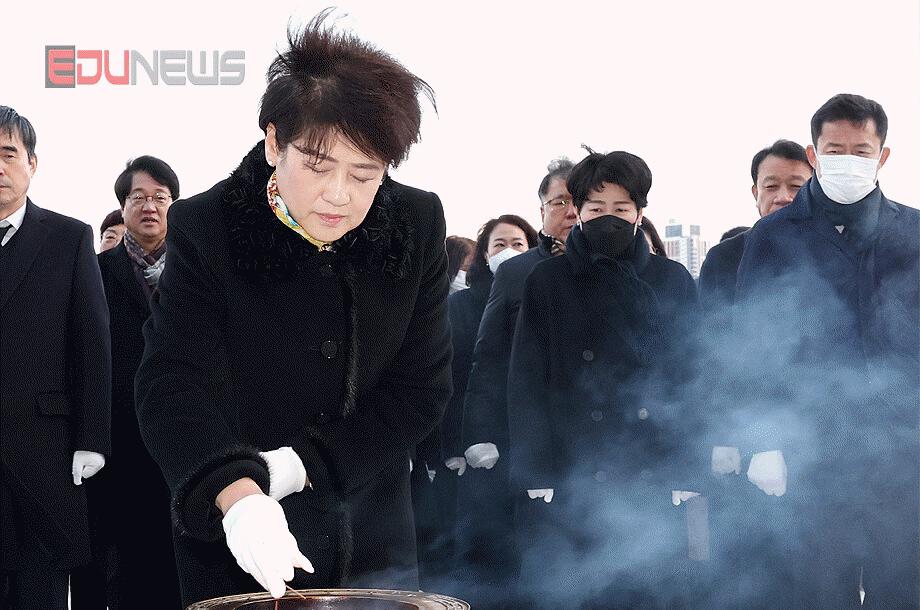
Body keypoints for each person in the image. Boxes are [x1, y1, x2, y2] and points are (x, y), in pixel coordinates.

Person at [133, 12, 451, 607]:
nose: (339, 194)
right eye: (318, 165)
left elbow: (421, 387)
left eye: (365, 174)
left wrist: (301, 465)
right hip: (242, 539)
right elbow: (171, 384)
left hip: (373, 534)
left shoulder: (416, 223)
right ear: (274, 142)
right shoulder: (208, 226)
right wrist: (238, 493)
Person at [735, 93, 918, 609]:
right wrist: (764, 439)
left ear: (883, 156)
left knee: (902, 589)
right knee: (819, 591)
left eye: (862, 150)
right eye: (835, 150)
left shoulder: (914, 232)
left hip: (902, 450)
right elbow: (751, 344)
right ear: (814, 154)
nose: (848, 160)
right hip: (811, 449)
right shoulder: (773, 235)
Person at [508, 149, 700, 609]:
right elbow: (527, 380)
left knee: (651, 590)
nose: (608, 219)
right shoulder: (548, 280)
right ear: (577, 211)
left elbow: (692, 378)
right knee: (574, 590)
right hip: (572, 466)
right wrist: (535, 468)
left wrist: (688, 468)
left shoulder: (672, 280)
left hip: (651, 465)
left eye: (620, 208)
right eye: (596, 209)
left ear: (639, 213)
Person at [0, 106, 111, 610]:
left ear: (32, 164)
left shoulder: (69, 237)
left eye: (9, 154)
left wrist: (92, 440)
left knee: (39, 591)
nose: (0, 167)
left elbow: (91, 343)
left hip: (43, 453)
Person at [454, 158, 575, 609]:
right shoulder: (517, 272)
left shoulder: (615, 268)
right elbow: (488, 359)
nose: (570, 211)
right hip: (524, 437)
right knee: (528, 560)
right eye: (558, 201)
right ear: (541, 209)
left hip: (592, 439)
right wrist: (479, 433)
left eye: (579, 201)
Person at [81, 156, 182, 610]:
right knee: (120, 572)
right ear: (122, 207)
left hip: (181, 441)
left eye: (160, 197)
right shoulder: (93, 272)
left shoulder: (196, 272)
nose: (149, 206)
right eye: (138, 197)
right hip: (117, 442)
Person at [414, 215, 536, 593]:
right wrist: (451, 446)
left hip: (528, 446)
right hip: (472, 453)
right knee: (476, 555)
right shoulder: (459, 306)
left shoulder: (543, 298)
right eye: (499, 244)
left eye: (518, 244)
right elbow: (446, 382)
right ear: (484, 254)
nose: (508, 251)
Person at [698, 140, 811, 309]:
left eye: (795, 186)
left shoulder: (834, 251)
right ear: (756, 193)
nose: (783, 198)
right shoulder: (723, 258)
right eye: (771, 186)